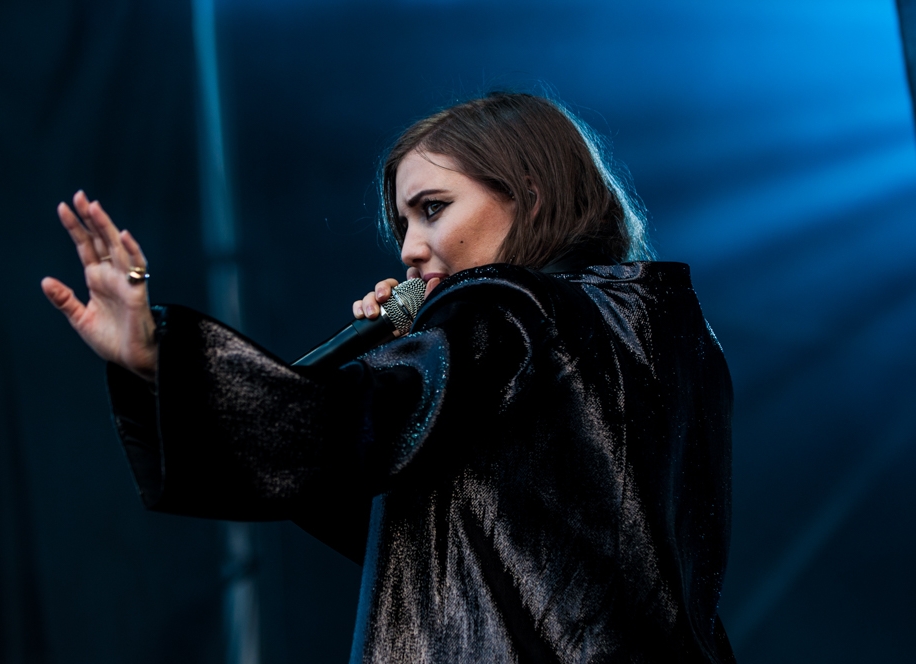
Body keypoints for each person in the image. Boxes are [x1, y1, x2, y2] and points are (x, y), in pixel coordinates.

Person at [42, 92, 735, 663]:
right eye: (403, 222)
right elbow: (441, 524)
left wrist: (156, 353)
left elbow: (333, 436)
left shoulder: (506, 310)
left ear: (527, 194)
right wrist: (418, 351)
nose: (409, 248)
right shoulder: (671, 335)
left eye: (433, 209)